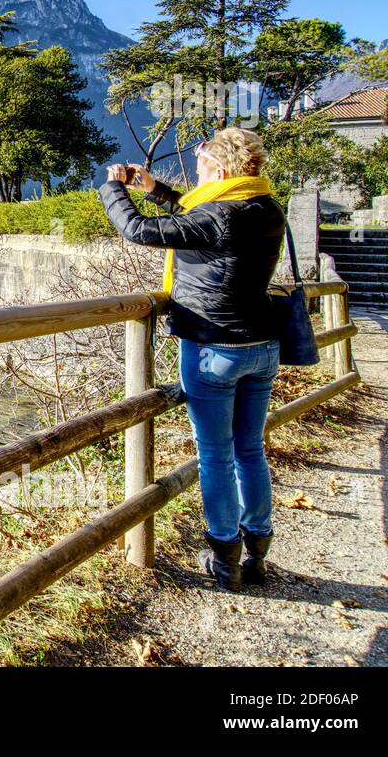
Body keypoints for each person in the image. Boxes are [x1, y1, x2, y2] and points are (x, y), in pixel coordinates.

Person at [99, 127, 284, 591]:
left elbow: (138, 230)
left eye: (201, 170)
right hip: (263, 348)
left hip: (213, 348)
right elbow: (205, 216)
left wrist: (113, 188)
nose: (196, 178)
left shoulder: (218, 215)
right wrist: (157, 190)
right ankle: (256, 553)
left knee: (216, 456)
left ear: (220, 171)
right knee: (250, 450)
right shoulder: (265, 207)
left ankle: (225, 559)